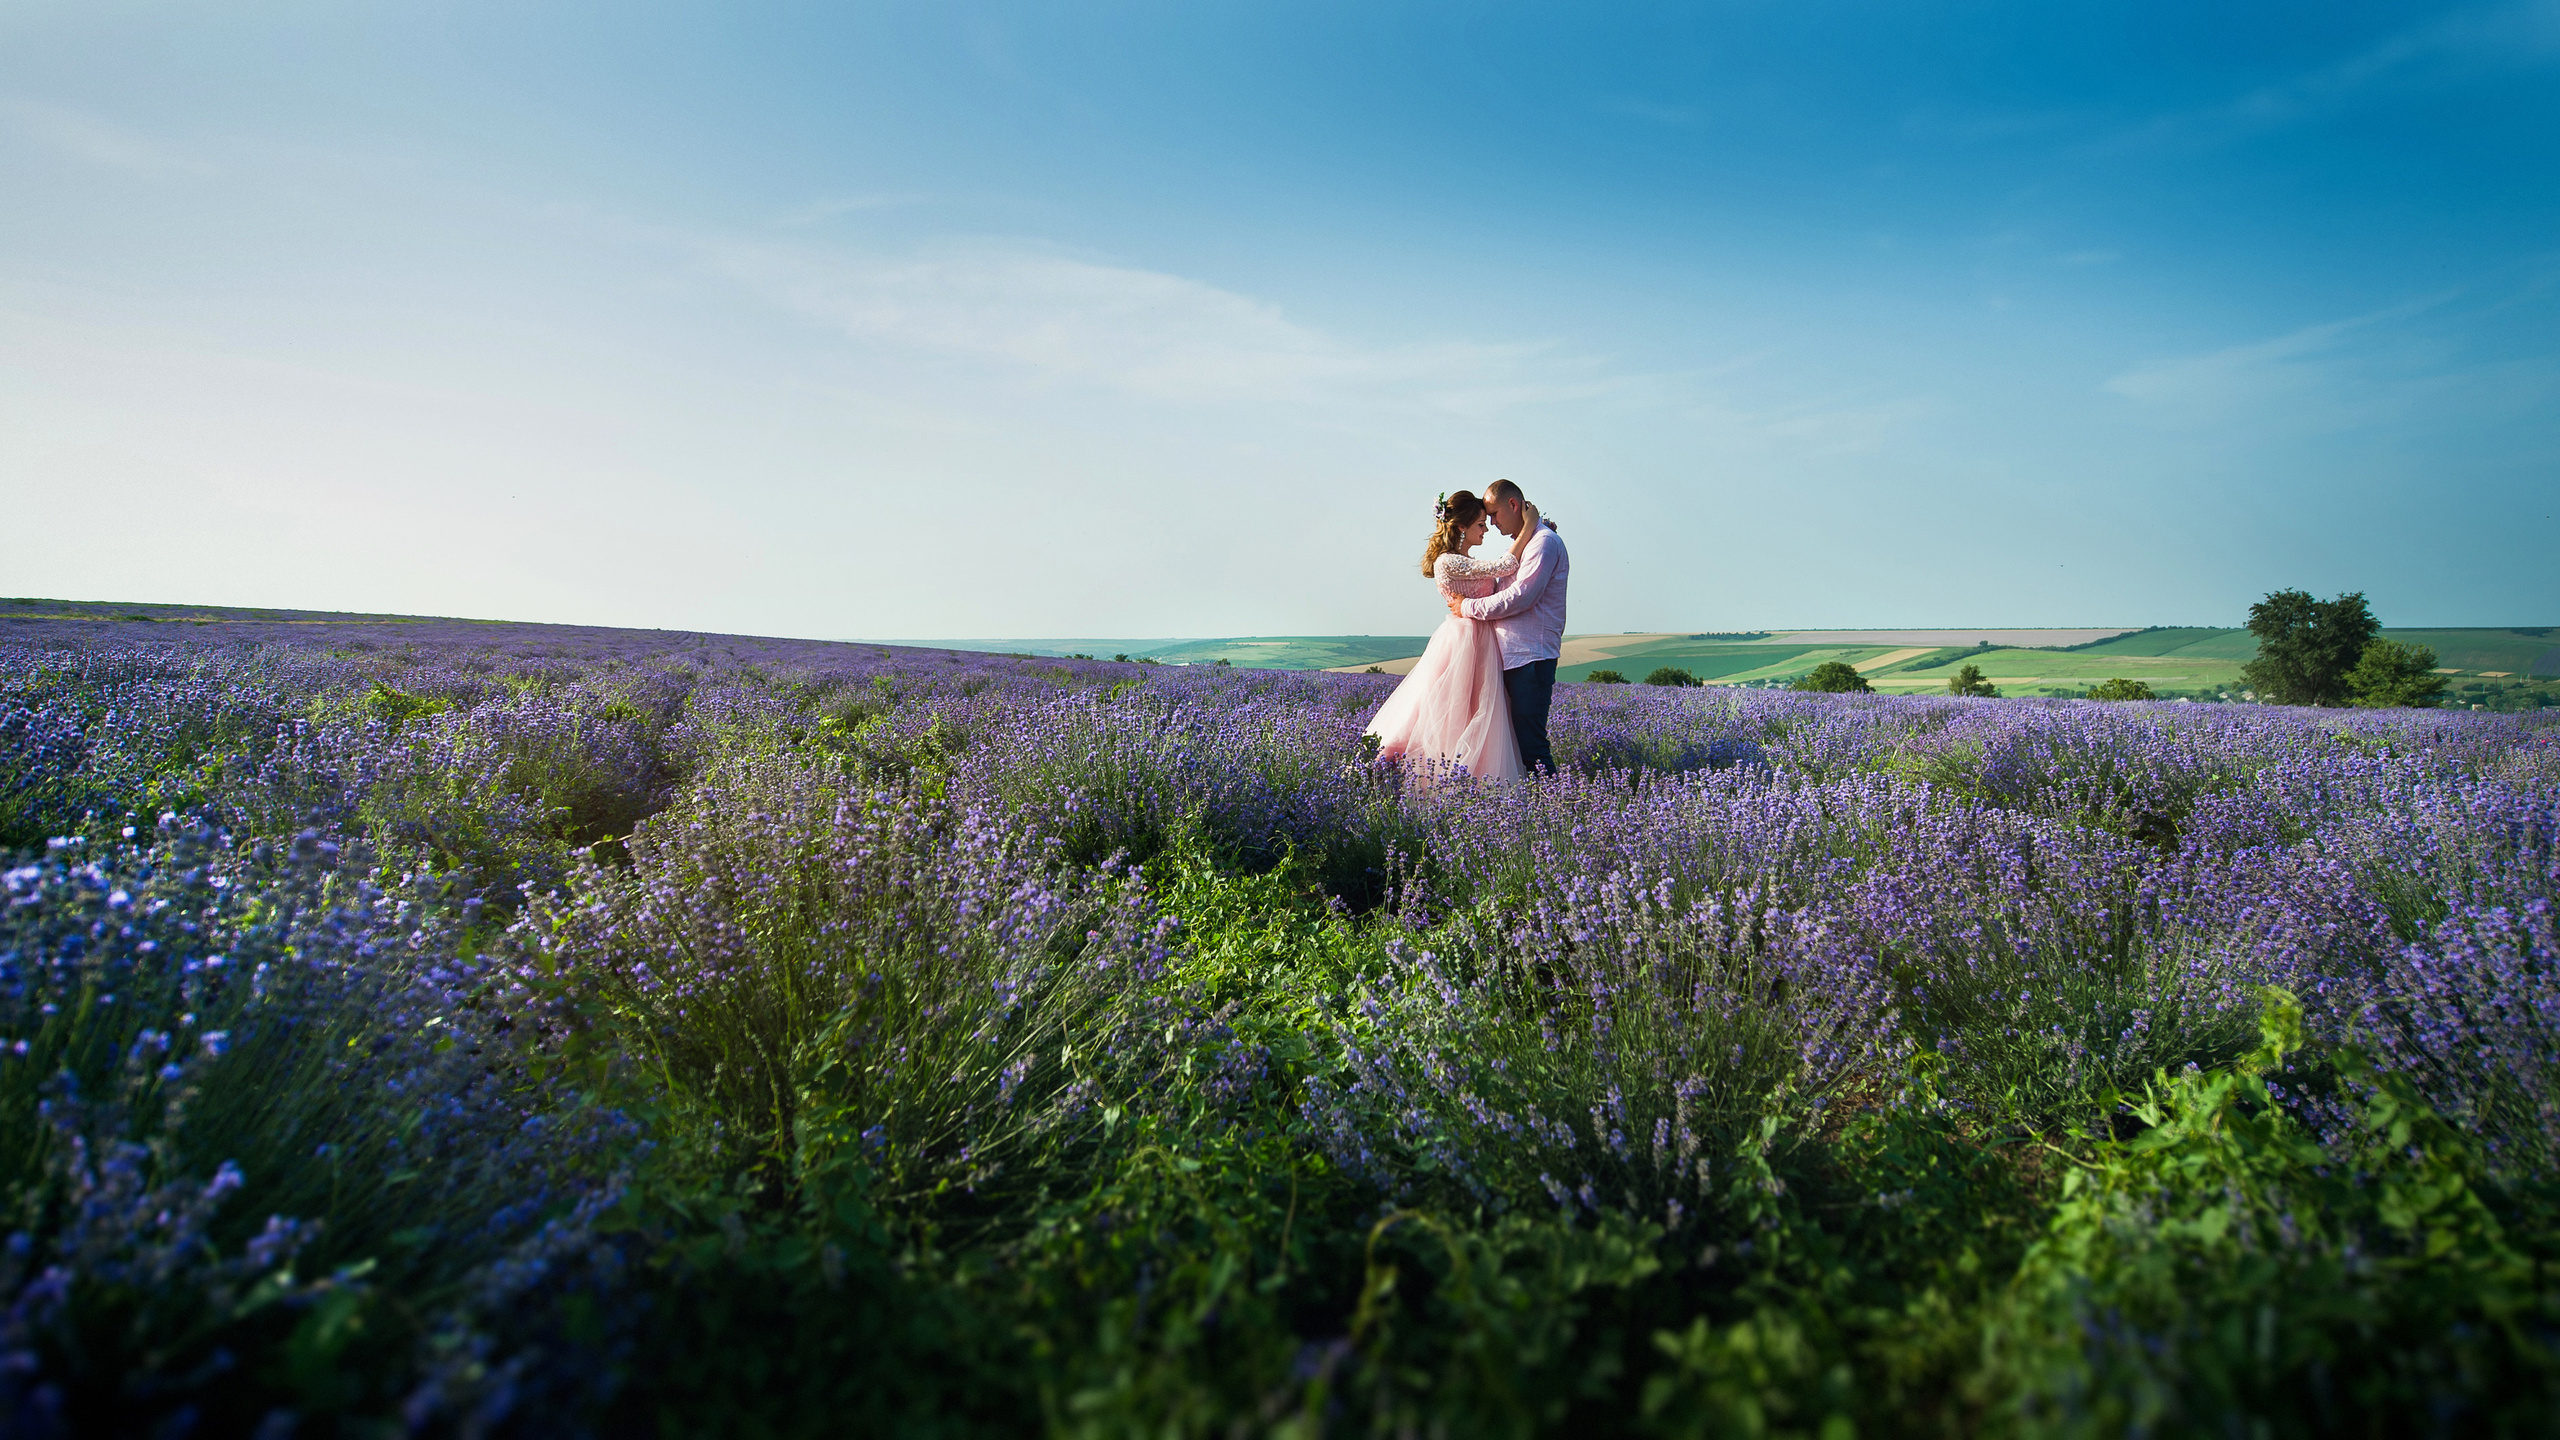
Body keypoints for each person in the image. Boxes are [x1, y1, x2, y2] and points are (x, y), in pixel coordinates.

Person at [1361, 488, 1548, 784]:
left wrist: (1541, 535)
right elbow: (1506, 566)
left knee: (1481, 712)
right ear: (1461, 527)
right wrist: (1530, 525)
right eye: (1479, 524)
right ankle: (1391, 776)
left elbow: (1503, 576)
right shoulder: (1448, 561)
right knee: (1450, 711)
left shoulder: (1466, 560)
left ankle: (1471, 779)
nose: (1485, 529)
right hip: (1464, 641)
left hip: (1482, 639)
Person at [1446, 479, 1567, 774]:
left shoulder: (1543, 542)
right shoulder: (1531, 541)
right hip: (1512, 657)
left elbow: (1521, 597)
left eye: (1494, 514)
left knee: (1531, 746)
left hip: (1531, 657)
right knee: (1511, 745)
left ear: (1513, 505)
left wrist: (1467, 607)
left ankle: (1551, 809)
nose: (1491, 522)